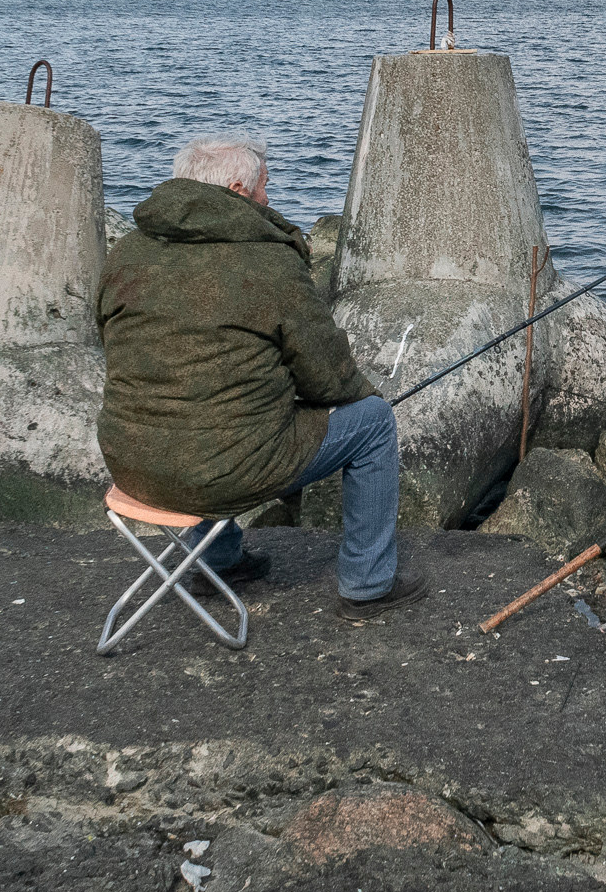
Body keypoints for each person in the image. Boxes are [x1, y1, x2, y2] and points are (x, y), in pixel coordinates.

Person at [97, 135, 425, 622]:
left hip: (132, 462)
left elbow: (106, 333)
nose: (268, 199)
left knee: (210, 405)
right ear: (236, 189)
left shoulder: (128, 251)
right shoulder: (269, 262)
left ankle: (217, 562)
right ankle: (368, 585)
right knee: (373, 420)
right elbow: (327, 376)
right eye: (264, 187)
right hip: (220, 471)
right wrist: (352, 395)